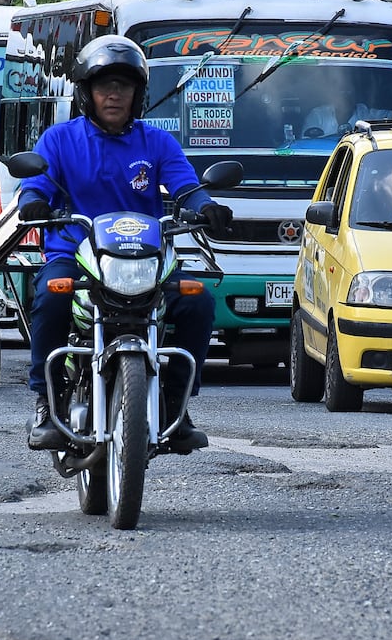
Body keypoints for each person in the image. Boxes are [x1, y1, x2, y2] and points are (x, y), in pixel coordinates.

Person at [17, 35, 233, 452]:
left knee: (199, 300)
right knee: (48, 295)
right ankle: (47, 400)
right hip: (77, 258)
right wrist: (33, 202)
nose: (113, 94)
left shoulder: (157, 142)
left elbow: (187, 187)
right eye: (104, 86)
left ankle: (176, 402)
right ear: (87, 93)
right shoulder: (59, 140)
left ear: (138, 93)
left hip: (147, 261)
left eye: (123, 86)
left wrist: (206, 206)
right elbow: (35, 184)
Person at [301, 90, 390, 138]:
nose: (345, 97)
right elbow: (305, 142)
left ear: (355, 97)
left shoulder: (364, 111)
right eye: (341, 94)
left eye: (349, 93)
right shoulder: (318, 114)